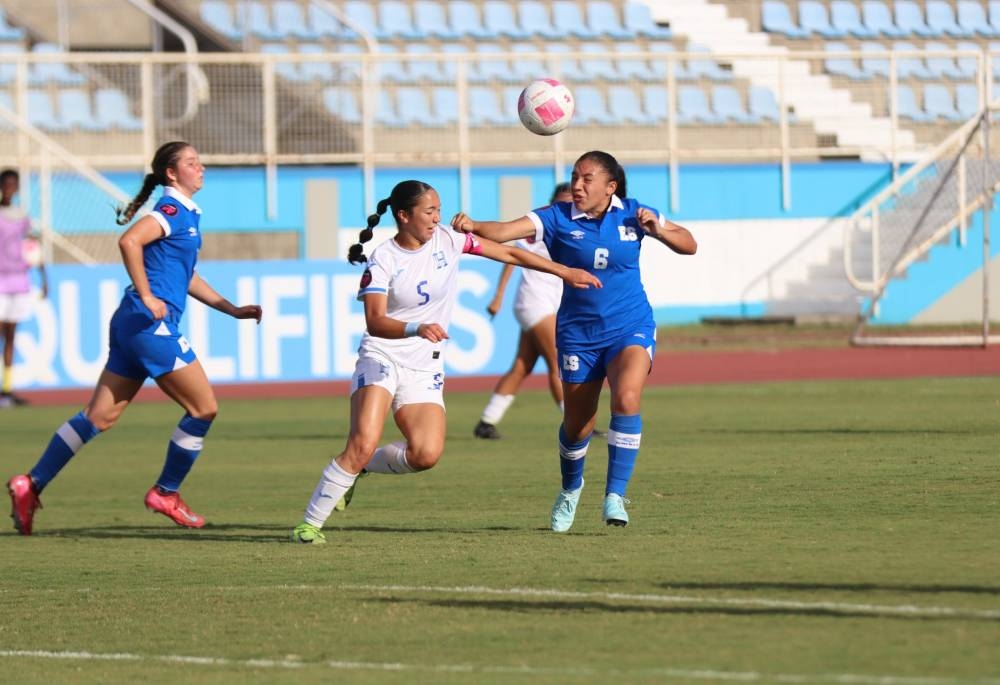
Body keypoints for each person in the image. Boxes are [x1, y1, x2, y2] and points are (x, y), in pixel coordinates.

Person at [290, 179, 600, 544]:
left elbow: (511, 254)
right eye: (429, 212)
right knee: (361, 442)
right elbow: (375, 321)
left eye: (439, 209)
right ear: (404, 216)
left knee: (426, 454)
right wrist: (416, 327)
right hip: (382, 357)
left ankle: (357, 469)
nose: (437, 218)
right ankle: (309, 525)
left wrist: (564, 272)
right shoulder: (384, 259)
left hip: (425, 368)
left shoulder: (450, 241)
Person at [6, 141, 263, 535]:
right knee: (203, 408)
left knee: (99, 417)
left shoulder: (186, 215)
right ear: (172, 174)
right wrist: (147, 295)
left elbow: (186, 276)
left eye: (200, 161)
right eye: (192, 163)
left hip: (132, 324)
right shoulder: (171, 210)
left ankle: (31, 483)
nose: (202, 167)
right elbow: (129, 241)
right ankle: (166, 492)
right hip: (148, 325)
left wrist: (231, 309)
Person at [452, 150, 697, 532]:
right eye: (574, 176)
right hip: (579, 335)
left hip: (629, 326)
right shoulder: (556, 216)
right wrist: (474, 224)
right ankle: (570, 487)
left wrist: (660, 229)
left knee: (627, 397)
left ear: (609, 187)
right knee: (578, 425)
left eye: (586, 179)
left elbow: (689, 244)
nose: (577, 185)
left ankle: (615, 496)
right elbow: (503, 233)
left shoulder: (634, 212)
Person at [473, 182, 571, 440]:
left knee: (522, 366)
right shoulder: (542, 222)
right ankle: (575, 422)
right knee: (558, 361)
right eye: (563, 200)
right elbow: (513, 254)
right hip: (534, 301)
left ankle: (487, 421)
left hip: (546, 302)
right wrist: (498, 295)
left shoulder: (575, 225)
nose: (567, 205)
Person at [0, 169, 48, 408]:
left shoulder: (21, 217)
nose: (9, 188)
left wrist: (43, 277)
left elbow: (32, 246)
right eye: (5, 184)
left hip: (19, 281)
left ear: (17, 187)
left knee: (11, 336)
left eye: (12, 184)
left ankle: (6, 390)